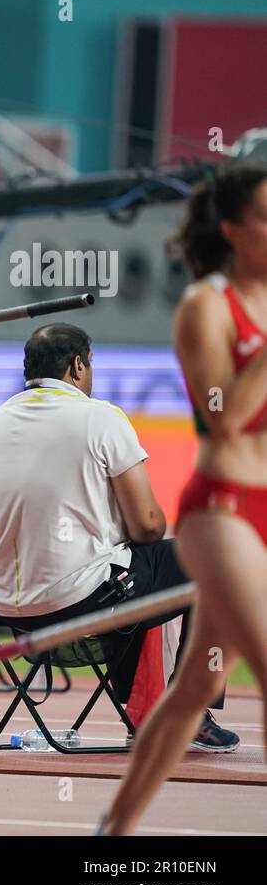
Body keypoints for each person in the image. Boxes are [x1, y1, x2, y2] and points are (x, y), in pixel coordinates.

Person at [101, 164, 267, 834]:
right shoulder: (206, 304)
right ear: (233, 230)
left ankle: (113, 830)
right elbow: (224, 414)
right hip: (221, 510)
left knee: (196, 688)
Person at [0, 324, 236, 750]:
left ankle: (148, 707)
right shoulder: (100, 417)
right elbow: (149, 526)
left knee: (128, 569)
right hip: (80, 602)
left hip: (6, 608)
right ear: (77, 366)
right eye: (91, 364)